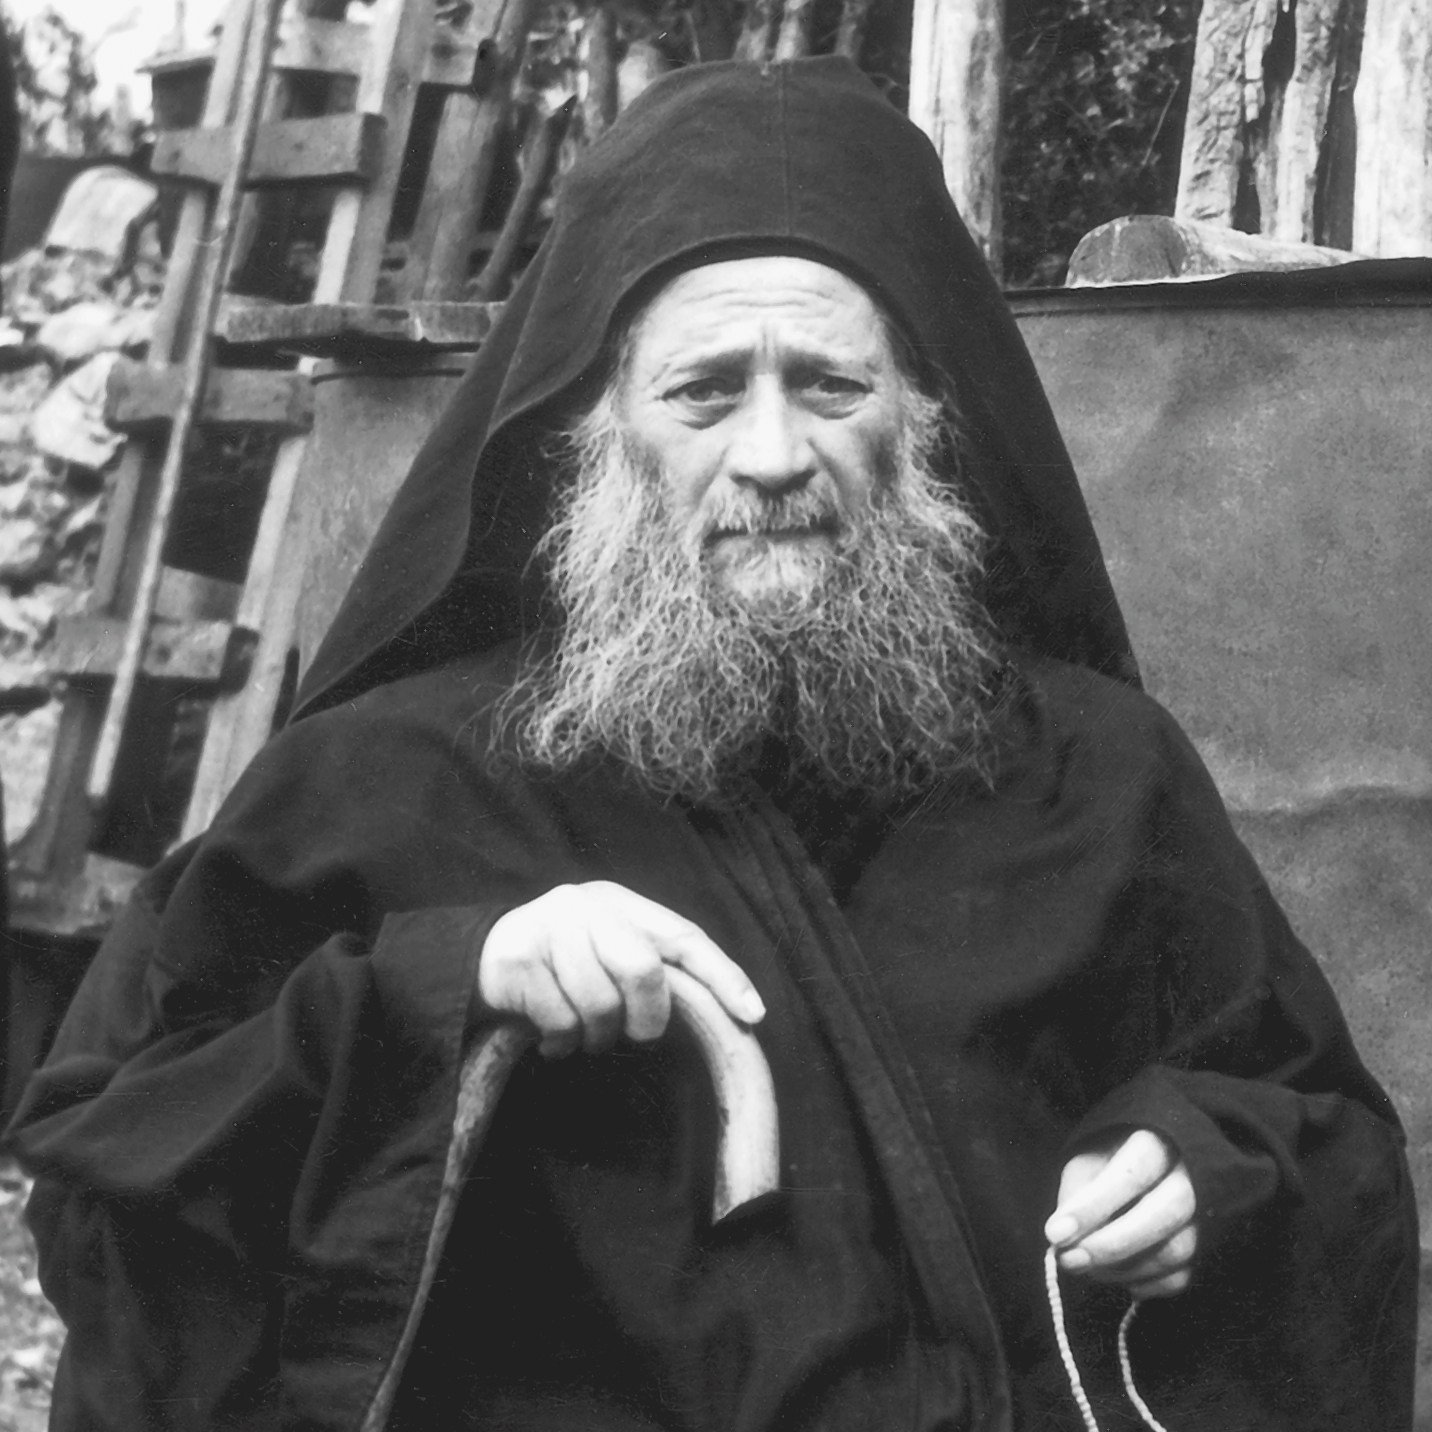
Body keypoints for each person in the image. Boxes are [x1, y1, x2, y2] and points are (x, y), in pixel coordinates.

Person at [7, 58, 1417, 1432]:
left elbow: (1320, 1130)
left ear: (925, 421)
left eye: (832, 385)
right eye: (703, 391)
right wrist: (451, 985)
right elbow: (115, 1175)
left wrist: (1205, 1163)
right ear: (596, 432)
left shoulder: (1099, 771)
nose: (773, 454)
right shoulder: (387, 780)